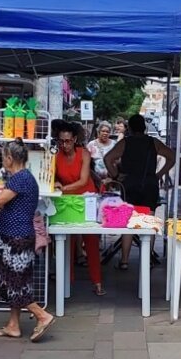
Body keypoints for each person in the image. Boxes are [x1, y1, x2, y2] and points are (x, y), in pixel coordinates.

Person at [0, 140, 56, 341]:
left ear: (9, 158)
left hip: (15, 238)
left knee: (14, 283)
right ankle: (13, 325)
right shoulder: (26, 178)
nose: (2, 160)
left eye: (3, 156)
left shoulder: (19, 179)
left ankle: (42, 316)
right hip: (17, 235)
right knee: (14, 280)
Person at [104, 114, 175, 269]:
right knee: (149, 222)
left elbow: (108, 159)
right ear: (144, 127)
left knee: (129, 222)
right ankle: (147, 259)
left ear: (129, 128)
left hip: (129, 185)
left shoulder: (125, 143)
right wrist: (159, 174)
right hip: (149, 184)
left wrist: (116, 176)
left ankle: (124, 261)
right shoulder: (153, 142)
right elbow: (171, 157)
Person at [54, 122, 105, 295]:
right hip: (67, 199)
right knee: (65, 240)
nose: (64, 145)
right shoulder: (55, 155)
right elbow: (50, 177)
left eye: (68, 141)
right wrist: (55, 184)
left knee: (91, 240)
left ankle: (97, 282)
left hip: (85, 198)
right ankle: (67, 281)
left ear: (75, 139)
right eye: (61, 141)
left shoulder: (84, 153)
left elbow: (84, 180)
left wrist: (62, 188)